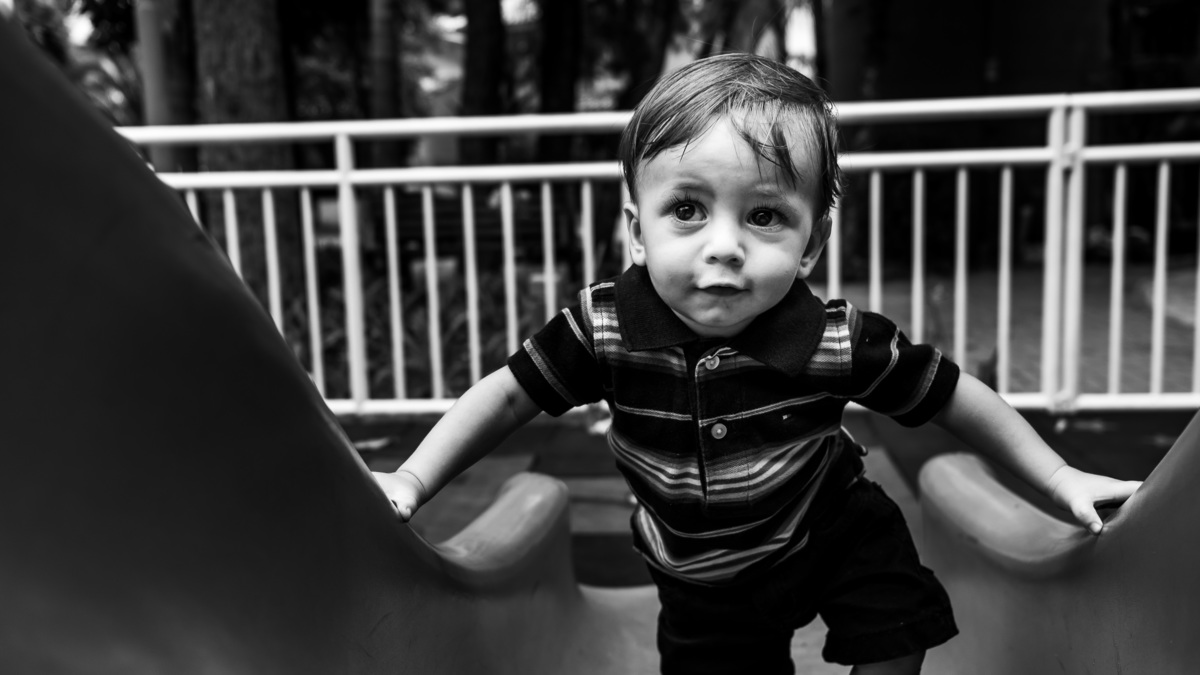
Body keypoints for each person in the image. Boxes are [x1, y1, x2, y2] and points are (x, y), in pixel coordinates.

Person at [373, 53, 1142, 674]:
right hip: (701, 574)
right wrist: (411, 478)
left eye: (765, 215)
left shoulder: (833, 338)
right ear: (638, 232)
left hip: (828, 523)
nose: (724, 244)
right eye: (688, 209)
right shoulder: (604, 326)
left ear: (810, 244)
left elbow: (952, 395)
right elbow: (507, 398)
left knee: (897, 626)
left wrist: (1058, 477)